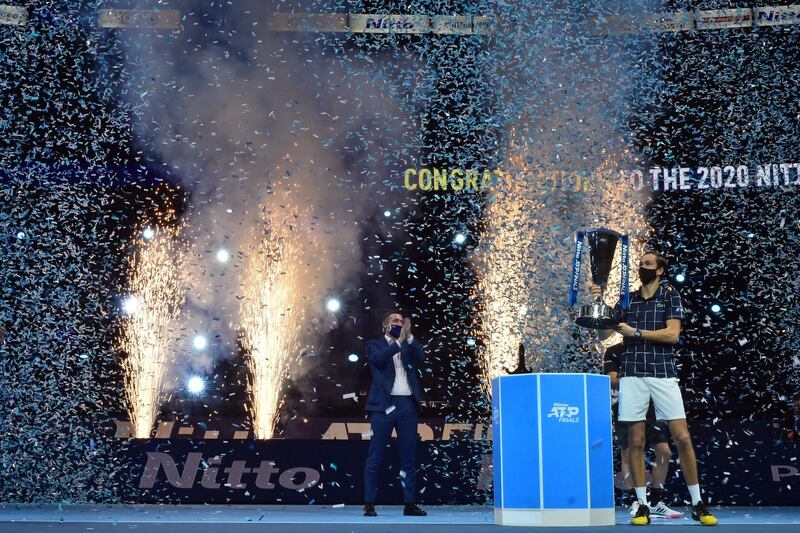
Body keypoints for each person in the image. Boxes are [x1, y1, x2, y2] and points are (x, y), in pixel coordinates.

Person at [592, 251, 717, 526]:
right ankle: (643, 506)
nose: (642, 267)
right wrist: (599, 301)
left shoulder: (670, 296)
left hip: (663, 374)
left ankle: (697, 503)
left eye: (648, 264)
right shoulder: (627, 299)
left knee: (682, 438)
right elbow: (604, 334)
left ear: (660, 271)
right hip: (633, 376)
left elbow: (672, 335)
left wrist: (635, 333)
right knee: (635, 442)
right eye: (641, 264)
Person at [604, 343, 682, 519]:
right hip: (625, 405)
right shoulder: (614, 351)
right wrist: (636, 380)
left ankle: (654, 502)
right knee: (628, 453)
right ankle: (638, 502)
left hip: (652, 406)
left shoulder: (653, 348)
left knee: (664, 452)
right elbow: (612, 381)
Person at [362, 311, 427, 517]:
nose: (398, 323)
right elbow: (379, 360)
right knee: (376, 455)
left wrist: (408, 338)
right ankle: (369, 503)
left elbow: (422, 358)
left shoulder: (406, 344)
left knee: (408, 456)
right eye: (394, 321)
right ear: (385, 325)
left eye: (401, 321)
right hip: (383, 405)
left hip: (407, 404)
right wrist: (397, 343)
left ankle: (409, 504)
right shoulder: (375, 345)